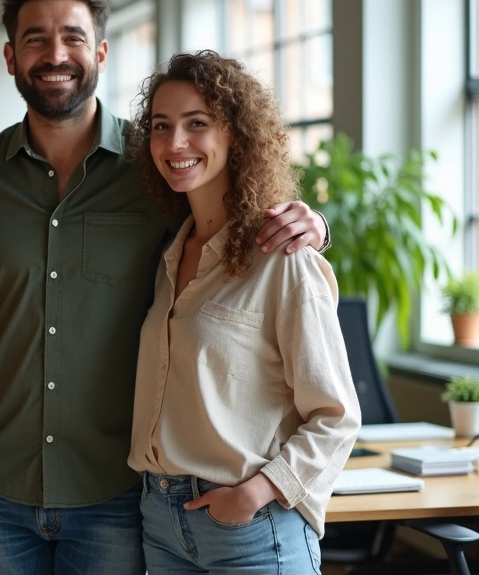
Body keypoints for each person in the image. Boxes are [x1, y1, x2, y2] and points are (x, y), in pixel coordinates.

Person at [0, 0, 332, 575]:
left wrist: (312, 223)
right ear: (10, 57)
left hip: (118, 494)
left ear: (99, 51)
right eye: (35, 39)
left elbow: (237, 202)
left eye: (72, 36)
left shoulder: (155, 168)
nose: (55, 54)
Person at [126, 50, 360, 573]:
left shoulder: (281, 258)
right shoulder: (170, 255)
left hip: (251, 527)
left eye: (197, 124)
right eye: (161, 126)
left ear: (237, 135)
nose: (175, 143)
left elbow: (337, 415)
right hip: (161, 521)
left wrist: (257, 493)